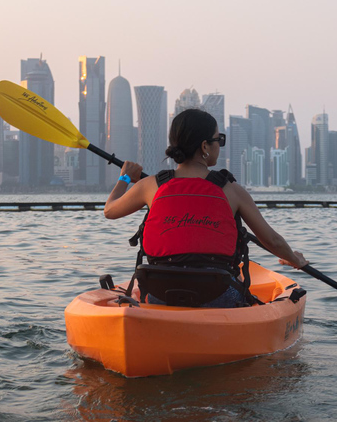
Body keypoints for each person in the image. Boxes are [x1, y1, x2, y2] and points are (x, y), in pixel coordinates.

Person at [104, 108, 308, 307]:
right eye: (218, 140)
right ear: (204, 146)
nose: (220, 145)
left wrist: (125, 177)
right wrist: (295, 259)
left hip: (161, 294)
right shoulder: (231, 190)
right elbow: (271, 240)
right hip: (216, 295)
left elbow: (110, 211)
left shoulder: (150, 186)